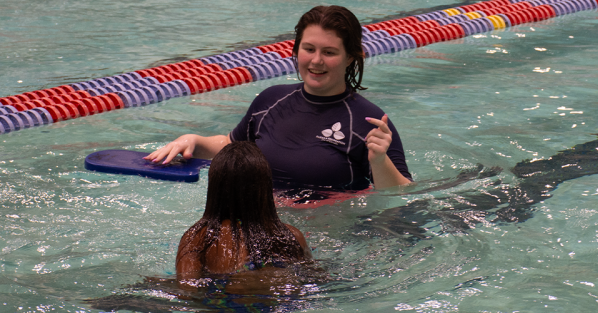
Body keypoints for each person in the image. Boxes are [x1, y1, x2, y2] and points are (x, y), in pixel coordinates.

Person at [145, 5, 413, 191]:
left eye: (329, 52)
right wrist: (192, 140)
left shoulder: (369, 123)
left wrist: (379, 161)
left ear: (351, 57)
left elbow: (402, 194)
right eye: (309, 49)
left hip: (329, 240)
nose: (316, 60)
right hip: (263, 226)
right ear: (296, 50)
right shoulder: (271, 101)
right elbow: (232, 145)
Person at [175, 141, 312, 288]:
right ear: (265, 188)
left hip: (222, 304)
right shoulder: (292, 236)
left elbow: (187, 289)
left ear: (215, 188)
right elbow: (313, 279)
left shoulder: (198, 238)